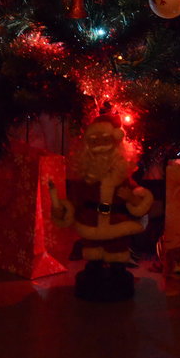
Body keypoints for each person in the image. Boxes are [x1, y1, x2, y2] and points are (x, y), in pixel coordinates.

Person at [49, 107, 153, 301]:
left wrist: (130, 198)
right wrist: (62, 209)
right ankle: (94, 270)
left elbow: (140, 200)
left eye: (105, 140)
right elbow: (74, 201)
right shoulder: (85, 180)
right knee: (93, 253)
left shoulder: (122, 178)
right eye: (94, 141)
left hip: (116, 223)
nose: (100, 146)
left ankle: (117, 272)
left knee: (117, 250)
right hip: (91, 223)